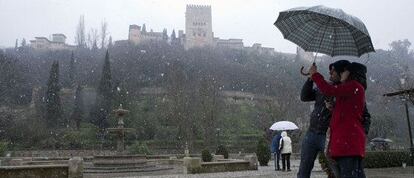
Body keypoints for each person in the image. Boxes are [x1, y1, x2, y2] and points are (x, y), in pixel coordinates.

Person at [309, 62, 368, 178]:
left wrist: (315, 74)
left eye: (345, 71)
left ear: (351, 73)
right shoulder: (353, 88)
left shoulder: (353, 86)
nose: (343, 74)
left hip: (348, 143)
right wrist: (333, 108)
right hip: (349, 142)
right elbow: (347, 113)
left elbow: (329, 89)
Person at [297, 60, 350, 178]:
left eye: (333, 71)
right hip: (312, 132)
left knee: (335, 169)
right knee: (304, 169)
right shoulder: (323, 87)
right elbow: (304, 96)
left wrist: (316, 76)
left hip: (328, 135)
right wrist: (310, 79)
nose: (330, 73)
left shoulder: (343, 90)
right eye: (330, 70)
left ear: (341, 73)